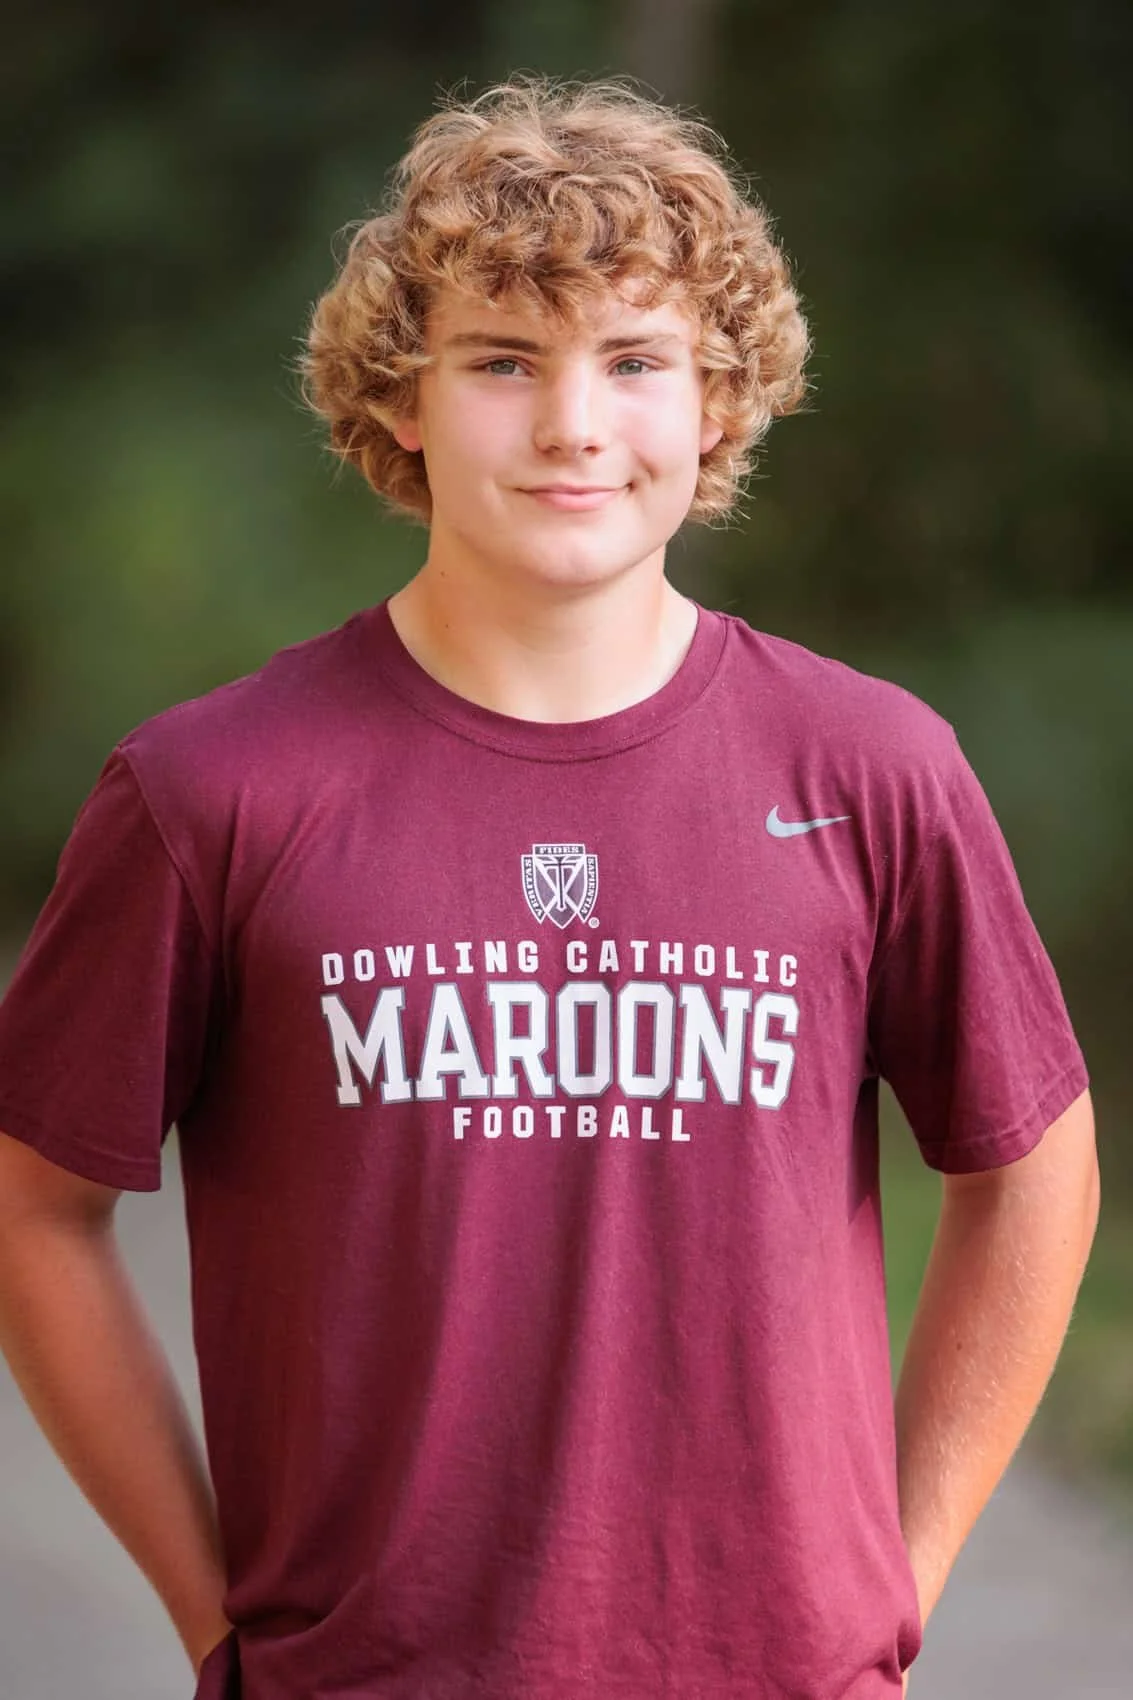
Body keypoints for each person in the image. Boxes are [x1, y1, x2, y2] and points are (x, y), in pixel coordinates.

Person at [0, 75, 1099, 1700]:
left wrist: (898, 1573)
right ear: (400, 405)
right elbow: (34, 1205)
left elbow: (1035, 1168)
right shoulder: (211, 793)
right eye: (502, 362)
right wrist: (215, 1613)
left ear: (720, 405)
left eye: (637, 361)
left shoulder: (873, 769)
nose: (576, 423)